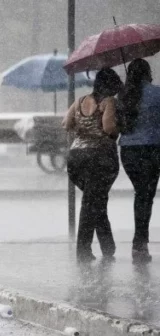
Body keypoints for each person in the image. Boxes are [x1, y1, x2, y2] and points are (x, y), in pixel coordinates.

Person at [63, 68, 123, 261]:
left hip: (75, 158)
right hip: (100, 158)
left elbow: (66, 124)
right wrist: (118, 129)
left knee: (95, 201)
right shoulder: (109, 102)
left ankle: (108, 247)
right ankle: (83, 250)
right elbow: (109, 128)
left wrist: (84, 129)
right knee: (91, 203)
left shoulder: (79, 101)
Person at [119, 59, 160, 263]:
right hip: (152, 150)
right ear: (147, 73)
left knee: (140, 193)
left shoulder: (123, 96)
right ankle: (139, 243)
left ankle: (139, 242)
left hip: (128, 152)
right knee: (146, 195)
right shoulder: (157, 93)